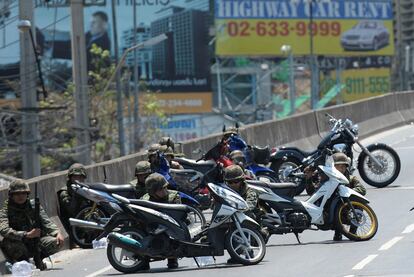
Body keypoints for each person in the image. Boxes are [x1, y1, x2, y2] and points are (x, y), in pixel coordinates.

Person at [0, 180, 64, 270]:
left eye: (23, 193)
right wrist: (26, 235)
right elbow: (4, 230)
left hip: (35, 241)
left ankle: (38, 259)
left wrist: (56, 232)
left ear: (27, 194)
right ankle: (24, 263)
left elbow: (47, 222)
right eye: (17, 194)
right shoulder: (5, 210)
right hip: (18, 242)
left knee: (56, 242)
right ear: (11, 195)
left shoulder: (34, 205)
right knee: (11, 244)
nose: (21, 196)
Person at [304, 153, 366, 241]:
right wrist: (309, 179)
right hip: (329, 214)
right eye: (338, 166)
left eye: (343, 166)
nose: (341, 169)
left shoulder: (351, 179)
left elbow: (362, 189)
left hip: (348, 212)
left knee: (359, 202)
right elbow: (312, 192)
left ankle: (353, 231)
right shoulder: (325, 182)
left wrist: (347, 194)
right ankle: (338, 233)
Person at [141, 173, 181, 269]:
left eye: (165, 187)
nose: (164, 191)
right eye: (160, 189)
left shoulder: (174, 197)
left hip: (170, 227)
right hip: (151, 228)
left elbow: (179, 216)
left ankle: (172, 259)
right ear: (152, 192)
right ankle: (143, 259)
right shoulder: (144, 201)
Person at [57, 163, 87, 245]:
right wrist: (76, 195)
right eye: (75, 177)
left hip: (84, 223)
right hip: (73, 227)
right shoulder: (65, 192)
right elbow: (71, 210)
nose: (78, 179)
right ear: (70, 178)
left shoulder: (84, 189)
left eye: (80, 177)